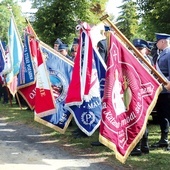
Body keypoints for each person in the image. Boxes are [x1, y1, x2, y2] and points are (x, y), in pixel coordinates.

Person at [130, 38, 153, 156]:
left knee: (141, 120)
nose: (137, 51)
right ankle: (142, 146)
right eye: (135, 49)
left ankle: (141, 146)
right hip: (133, 95)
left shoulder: (148, 61)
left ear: (146, 50)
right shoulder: (131, 60)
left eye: (140, 49)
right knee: (136, 120)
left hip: (145, 94)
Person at [150, 33, 170, 150]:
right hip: (161, 90)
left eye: (157, 41)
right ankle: (164, 139)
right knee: (163, 115)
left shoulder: (169, 53)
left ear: (162, 41)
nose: (156, 44)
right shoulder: (161, 53)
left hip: (167, 90)